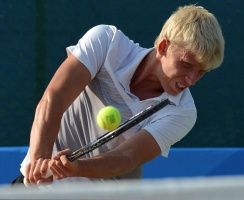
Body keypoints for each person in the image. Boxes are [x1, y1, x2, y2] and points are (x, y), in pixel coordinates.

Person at [20, 5, 224, 187]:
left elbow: (127, 158)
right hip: (37, 189)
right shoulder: (106, 42)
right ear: (163, 47)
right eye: (187, 65)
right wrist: (39, 160)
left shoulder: (183, 111)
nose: (191, 79)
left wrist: (76, 167)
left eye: (201, 71)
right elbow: (55, 96)